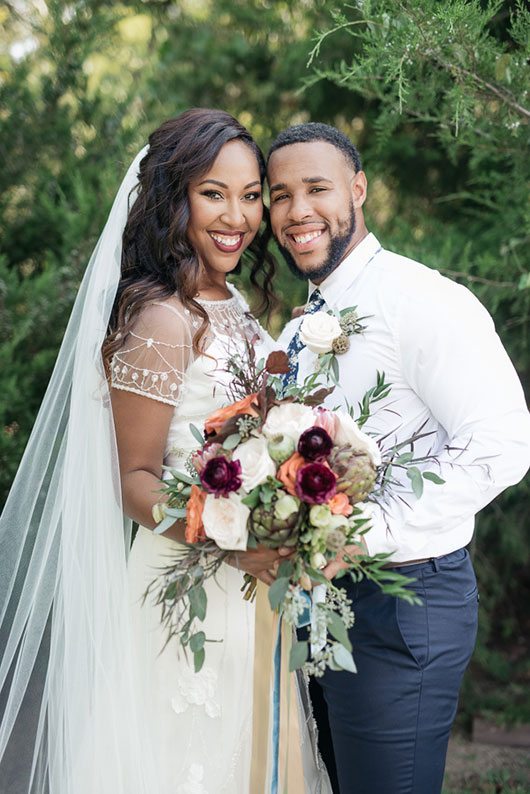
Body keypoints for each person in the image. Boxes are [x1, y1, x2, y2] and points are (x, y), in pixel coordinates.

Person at [0, 109, 331, 794]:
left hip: (248, 590)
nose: (236, 216)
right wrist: (232, 537)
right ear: (171, 196)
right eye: (213, 193)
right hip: (186, 589)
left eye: (248, 195)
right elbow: (134, 480)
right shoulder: (160, 316)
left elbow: (249, 420)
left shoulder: (232, 299)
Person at [267, 121, 530, 794]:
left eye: (317, 188)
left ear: (358, 190)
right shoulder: (300, 329)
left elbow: (503, 446)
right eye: (279, 195)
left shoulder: (423, 301)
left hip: (406, 603)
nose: (297, 211)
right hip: (318, 603)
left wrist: (365, 533)